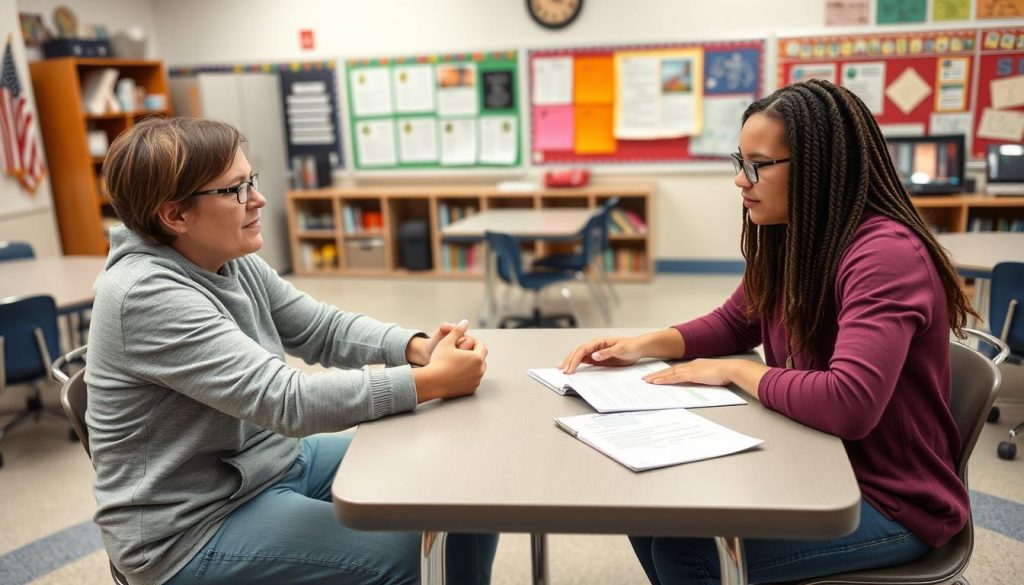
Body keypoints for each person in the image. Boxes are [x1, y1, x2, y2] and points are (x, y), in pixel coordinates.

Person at [559, 79, 977, 584]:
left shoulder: (884, 255)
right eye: (740, 161)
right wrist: (642, 344)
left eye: (757, 165)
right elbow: (737, 319)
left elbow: (850, 402)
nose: (741, 180)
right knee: (651, 513)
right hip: (816, 459)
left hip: (892, 500)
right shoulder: (793, 236)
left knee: (688, 555)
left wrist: (736, 370)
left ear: (818, 171)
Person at [86, 117, 497, 585]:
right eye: (236, 190)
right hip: (192, 526)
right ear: (175, 216)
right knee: (410, 555)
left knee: (467, 486)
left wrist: (417, 348)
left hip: (271, 462)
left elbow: (320, 328)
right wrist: (430, 382)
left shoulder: (225, 257)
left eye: (251, 181)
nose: (258, 200)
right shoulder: (144, 294)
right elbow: (287, 401)